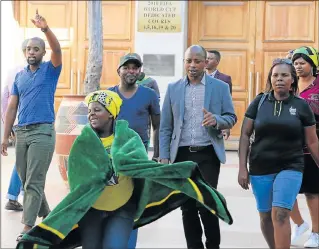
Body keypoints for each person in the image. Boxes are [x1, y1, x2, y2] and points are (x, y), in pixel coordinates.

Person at [15, 90, 233, 249]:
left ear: (110, 113)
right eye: (89, 111)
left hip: (123, 209)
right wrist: (98, 176)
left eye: (97, 110)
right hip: (91, 210)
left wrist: (121, 168)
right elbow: (77, 179)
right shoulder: (83, 142)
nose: (91, 114)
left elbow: (140, 165)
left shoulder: (129, 138)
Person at [159, 45, 237, 249]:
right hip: (182, 154)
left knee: (207, 203)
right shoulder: (173, 88)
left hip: (207, 154)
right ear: (184, 62)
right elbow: (165, 126)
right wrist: (164, 157)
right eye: (188, 61)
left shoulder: (219, 87)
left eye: (197, 61)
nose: (192, 65)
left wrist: (217, 120)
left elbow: (231, 117)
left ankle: (213, 245)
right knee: (186, 206)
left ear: (206, 63)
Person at [238, 58, 319, 249]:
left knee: (281, 212)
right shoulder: (259, 102)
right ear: (270, 79)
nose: (279, 79)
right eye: (275, 75)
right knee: (266, 216)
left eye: (284, 75)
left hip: (291, 166)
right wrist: (242, 167)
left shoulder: (301, 106)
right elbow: (244, 134)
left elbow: (313, 141)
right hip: (260, 166)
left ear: (292, 80)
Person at [1, 10, 62, 241]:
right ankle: (48, 214)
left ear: (42, 53)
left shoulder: (50, 70)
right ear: (24, 53)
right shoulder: (19, 77)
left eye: (36, 49)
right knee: (26, 180)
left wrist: (45, 29)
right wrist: (5, 136)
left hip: (42, 132)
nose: (32, 52)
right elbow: (11, 108)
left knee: (34, 181)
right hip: (22, 133)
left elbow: (57, 50)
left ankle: (28, 227)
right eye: (28, 49)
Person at [109, 53, 161, 248]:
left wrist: (157, 155)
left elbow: (158, 126)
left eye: (135, 68)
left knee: (133, 204)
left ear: (140, 71)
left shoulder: (149, 95)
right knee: (112, 202)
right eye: (127, 67)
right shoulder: (110, 94)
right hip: (112, 157)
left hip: (138, 158)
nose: (131, 71)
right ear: (119, 71)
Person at [290, 46, 319, 248]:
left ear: (313, 64)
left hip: (312, 148)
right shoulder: (289, 84)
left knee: (312, 192)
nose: (298, 67)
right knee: (285, 190)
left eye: (303, 63)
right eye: (296, 63)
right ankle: (299, 224)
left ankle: (316, 233)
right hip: (288, 147)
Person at [2, 38, 29, 212]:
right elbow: (6, 99)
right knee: (25, 161)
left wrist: (8, 123)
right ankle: (13, 196)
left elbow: (3, 99)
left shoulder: (13, 71)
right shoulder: (26, 72)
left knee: (24, 160)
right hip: (25, 123)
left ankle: (16, 196)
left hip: (17, 122)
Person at [206, 50, 233, 140]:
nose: (207, 60)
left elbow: (227, 104)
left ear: (217, 62)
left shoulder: (224, 79)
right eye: (205, 58)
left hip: (216, 122)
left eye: (210, 58)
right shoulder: (198, 77)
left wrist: (226, 126)